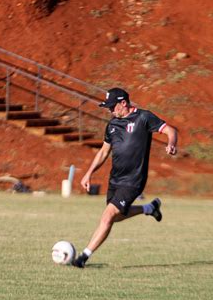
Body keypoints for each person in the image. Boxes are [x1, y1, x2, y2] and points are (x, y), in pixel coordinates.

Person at [73, 87, 178, 268]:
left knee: (107, 217)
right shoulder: (112, 125)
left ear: (124, 103)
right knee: (116, 216)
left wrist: (171, 143)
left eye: (112, 107)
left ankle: (83, 257)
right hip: (115, 180)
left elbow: (170, 130)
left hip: (133, 180)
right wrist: (89, 173)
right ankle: (149, 208)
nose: (110, 110)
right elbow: (104, 152)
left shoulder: (143, 117)